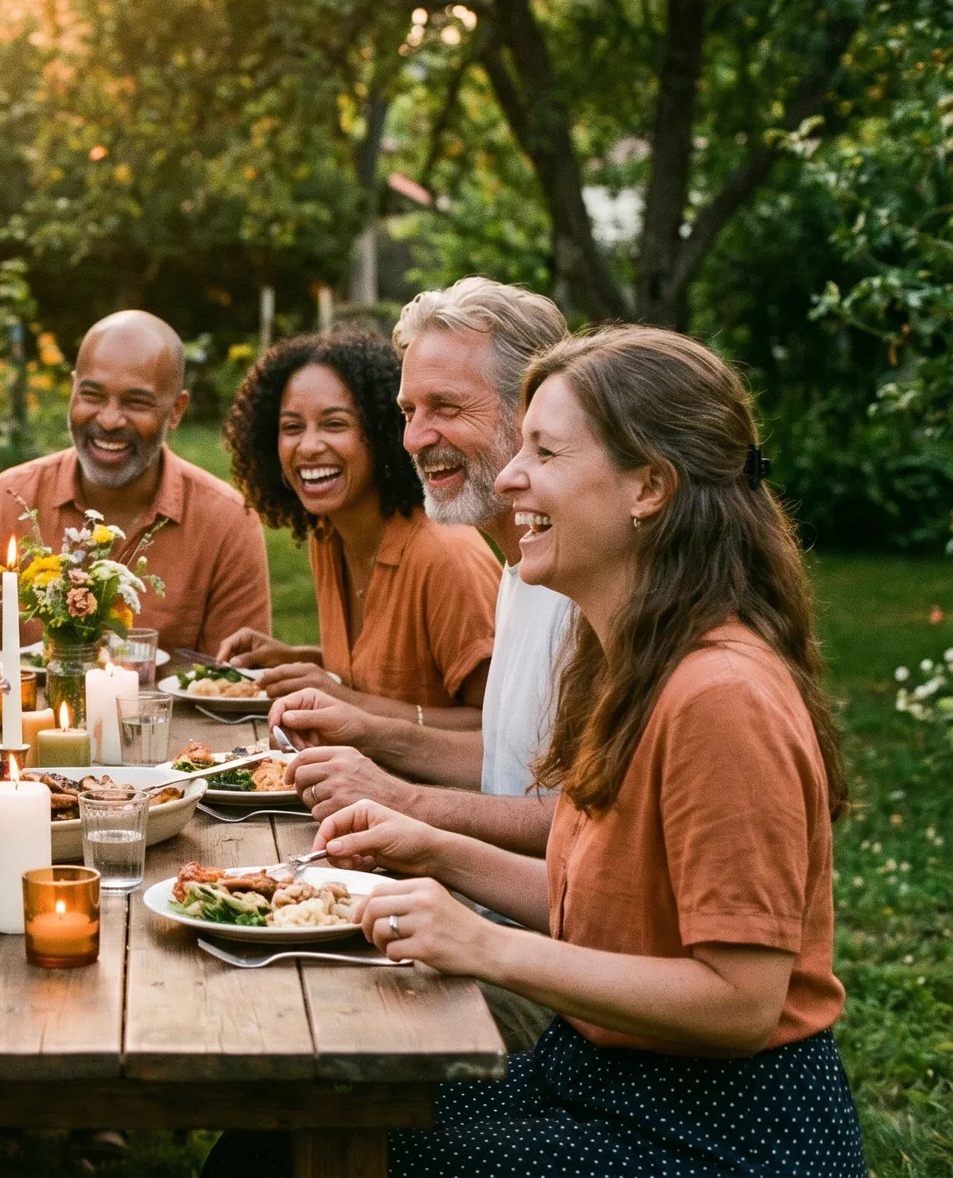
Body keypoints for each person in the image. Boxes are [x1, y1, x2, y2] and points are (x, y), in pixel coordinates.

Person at [207, 326, 864, 1176]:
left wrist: (484, 945)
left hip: (712, 1128)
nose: (511, 476)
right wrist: (430, 849)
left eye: (545, 452)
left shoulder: (720, 696)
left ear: (650, 487)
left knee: (316, 1159)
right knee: (277, 1135)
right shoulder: (628, 658)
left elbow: (741, 1002)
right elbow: (604, 904)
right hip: (601, 1076)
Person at [264, 280, 576, 856]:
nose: (412, 439)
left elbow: (587, 826)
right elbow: (509, 760)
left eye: (446, 408)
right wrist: (368, 730)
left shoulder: (584, 586)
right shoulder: (523, 563)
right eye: (408, 411)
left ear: (533, 411)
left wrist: (402, 799)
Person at [218, 328, 500, 758]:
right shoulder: (329, 533)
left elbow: (497, 725)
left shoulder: (447, 557)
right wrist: (298, 660)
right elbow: (392, 677)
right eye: (291, 427)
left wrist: (343, 699)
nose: (308, 446)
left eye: (335, 424)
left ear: (383, 432)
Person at [0, 309, 270, 655]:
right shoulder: (5, 501)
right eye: (92, 396)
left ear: (176, 410)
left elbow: (237, 678)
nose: (109, 420)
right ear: (73, 390)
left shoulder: (227, 523)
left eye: (136, 403)